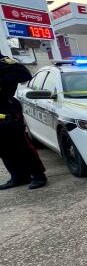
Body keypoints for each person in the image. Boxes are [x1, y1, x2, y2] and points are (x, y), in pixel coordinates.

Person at [0, 55, 47, 190]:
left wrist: (2, 81)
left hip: (7, 109)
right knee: (4, 149)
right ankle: (18, 177)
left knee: (21, 145)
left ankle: (38, 175)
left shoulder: (4, 62)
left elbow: (25, 74)